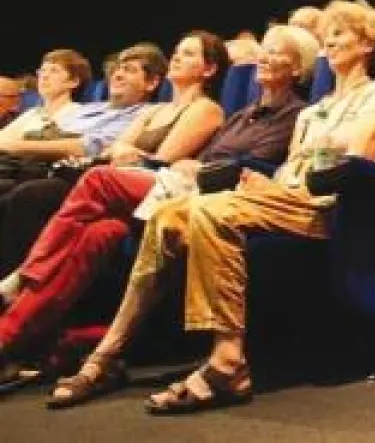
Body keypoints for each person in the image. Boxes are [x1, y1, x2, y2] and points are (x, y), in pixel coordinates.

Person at [48, 2, 375, 412]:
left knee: (210, 210)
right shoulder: (316, 109)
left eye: (341, 33)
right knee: (166, 215)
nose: (331, 41)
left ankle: (227, 361)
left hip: (325, 207)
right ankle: (108, 353)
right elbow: (291, 167)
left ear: (368, 43)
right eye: (329, 35)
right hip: (284, 196)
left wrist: (295, 169)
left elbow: (354, 158)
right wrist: (266, 181)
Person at [0, 27, 316, 391]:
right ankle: (15, 340)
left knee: (96, 181)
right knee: (99, 234)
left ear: (298, 67)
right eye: (265, 49)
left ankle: (24, 279)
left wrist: (195, 168)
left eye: (276, 52)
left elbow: (247, 168)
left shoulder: (292, 115)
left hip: (205, 191)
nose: (264, 56)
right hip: (170, 187)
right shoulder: (241, 115)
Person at [0, 33, 229, 283]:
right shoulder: (156, 110)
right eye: (176, 51)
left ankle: (25, 276)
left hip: (142, 187)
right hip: (109, 174)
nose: (176, 56)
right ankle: (24, 279)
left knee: (32, 195)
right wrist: (121, 152)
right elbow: (116, 148)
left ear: (209, 69)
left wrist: (125, 153)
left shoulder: (206, 109)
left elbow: (159, 161)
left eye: (188, 53)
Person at [0, 44, 166, 204]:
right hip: (25, 162)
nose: (117, 75)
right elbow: (44, 132)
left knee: (24, 193)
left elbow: (89, 148)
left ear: (151, 83)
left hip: (62, 172)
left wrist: (14, 146)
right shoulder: (87, 109)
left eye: (129, 70)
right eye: (118, 69)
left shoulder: (142, 115)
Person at [0, 50, 92, 148]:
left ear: (74, 82)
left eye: (54, 71)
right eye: (42, 70)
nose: (44, 76)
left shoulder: (81, 114)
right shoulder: (32, 113)